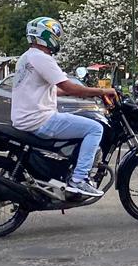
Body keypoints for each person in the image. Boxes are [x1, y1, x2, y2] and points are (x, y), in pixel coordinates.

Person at [12, 16, 120, 197]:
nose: (57, 40)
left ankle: (65, 172)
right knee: (94, 128)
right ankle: (79, 179)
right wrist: (101, 91)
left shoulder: (26, 57)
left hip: (25, 119)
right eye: (56, 35)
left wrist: (79, 92)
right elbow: (68, 86)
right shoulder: (42, 58)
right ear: (46, 35)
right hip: (40, 120)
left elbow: (51, 90)